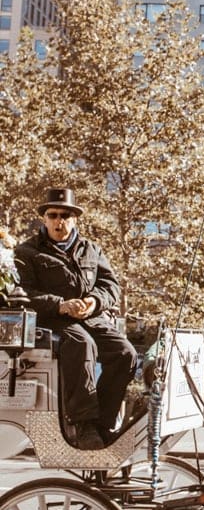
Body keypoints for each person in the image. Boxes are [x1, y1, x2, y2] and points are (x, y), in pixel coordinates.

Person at [14, 188, 137, 450]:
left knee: (125, 353)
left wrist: (94, 302)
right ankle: (84, 425)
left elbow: (111, 286)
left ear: (75, 219)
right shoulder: (27, 252)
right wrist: (60, 305)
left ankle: (103, 425)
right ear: (44, 219)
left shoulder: (91, 249)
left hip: (91, 318)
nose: (59, 221)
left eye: (66, 215)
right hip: (54, 322)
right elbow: (22, 294)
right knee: (82, 345)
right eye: (53, 215)